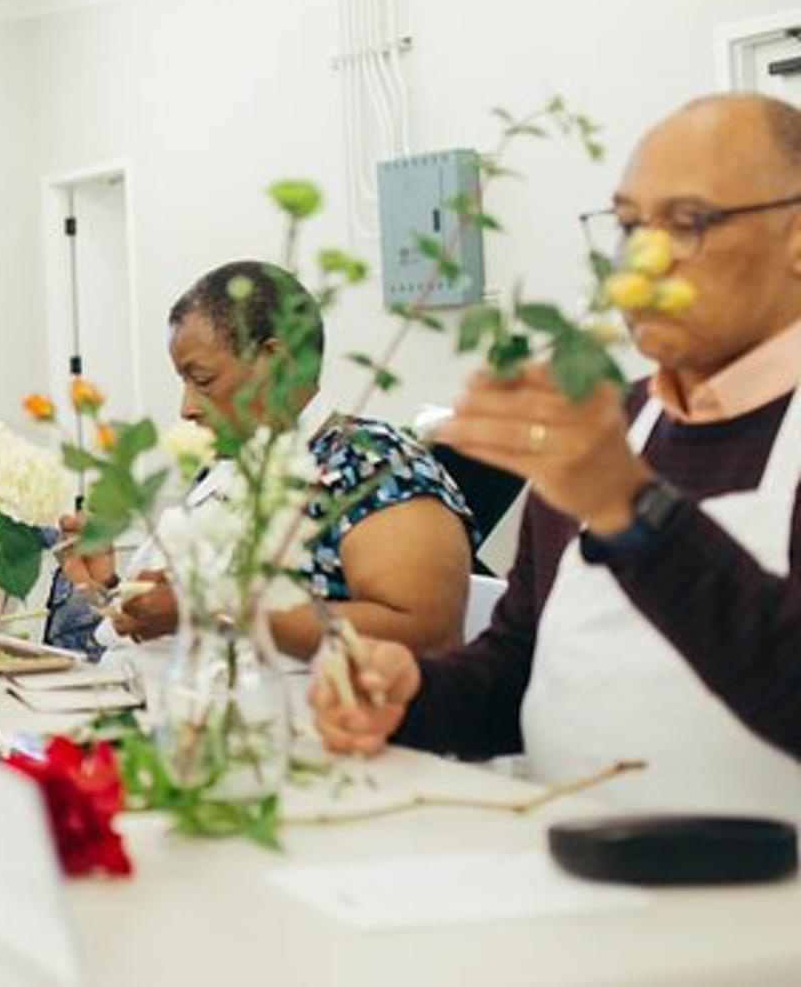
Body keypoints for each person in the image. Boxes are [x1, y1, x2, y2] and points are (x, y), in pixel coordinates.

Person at [311, 94, 801, 820]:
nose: (642, 257)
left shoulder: (603, 462)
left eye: (687, 222)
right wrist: (413, 691)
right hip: (566, 871)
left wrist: (633, 508)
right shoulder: (613, 423)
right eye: (630, 224)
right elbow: (518, 669)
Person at [57, 261, 479, 659]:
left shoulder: (373, 464)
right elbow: (172, 619)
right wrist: (109, 590)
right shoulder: (227, 470)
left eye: (202, 380)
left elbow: (427, 636)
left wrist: (211, 609)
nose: (186, 408)